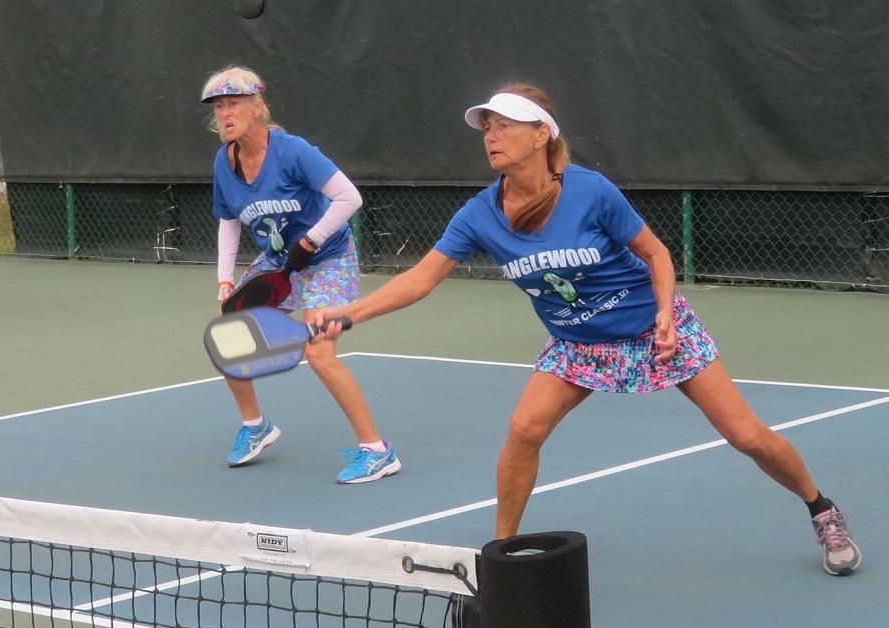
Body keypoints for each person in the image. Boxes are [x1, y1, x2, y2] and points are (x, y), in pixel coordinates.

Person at [316, 83, 860, 574]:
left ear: (541, 135)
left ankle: (821, 508)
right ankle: (502, 553)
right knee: (525, 427)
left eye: (505, 125)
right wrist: (346, 314)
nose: (493, 136)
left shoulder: (590, 190)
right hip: (578, 344)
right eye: (488, 127)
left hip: (654, 328)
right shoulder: (480, 213)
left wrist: (667, 314)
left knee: (747, 437)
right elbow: (419, 279)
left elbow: (656, 253)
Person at [201, 65, 400, 484]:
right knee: (228, 332)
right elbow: (228, 222)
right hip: (278, 263)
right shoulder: (225, 161)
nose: (225, 113)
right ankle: (256, 426)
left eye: (233, 103)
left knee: (320, 352)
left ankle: (377, 451)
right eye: (219, 106)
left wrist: (311, 240)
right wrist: (224, 280)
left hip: (328, 259)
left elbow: (349, 197)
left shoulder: (293, 151)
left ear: (258, 106)